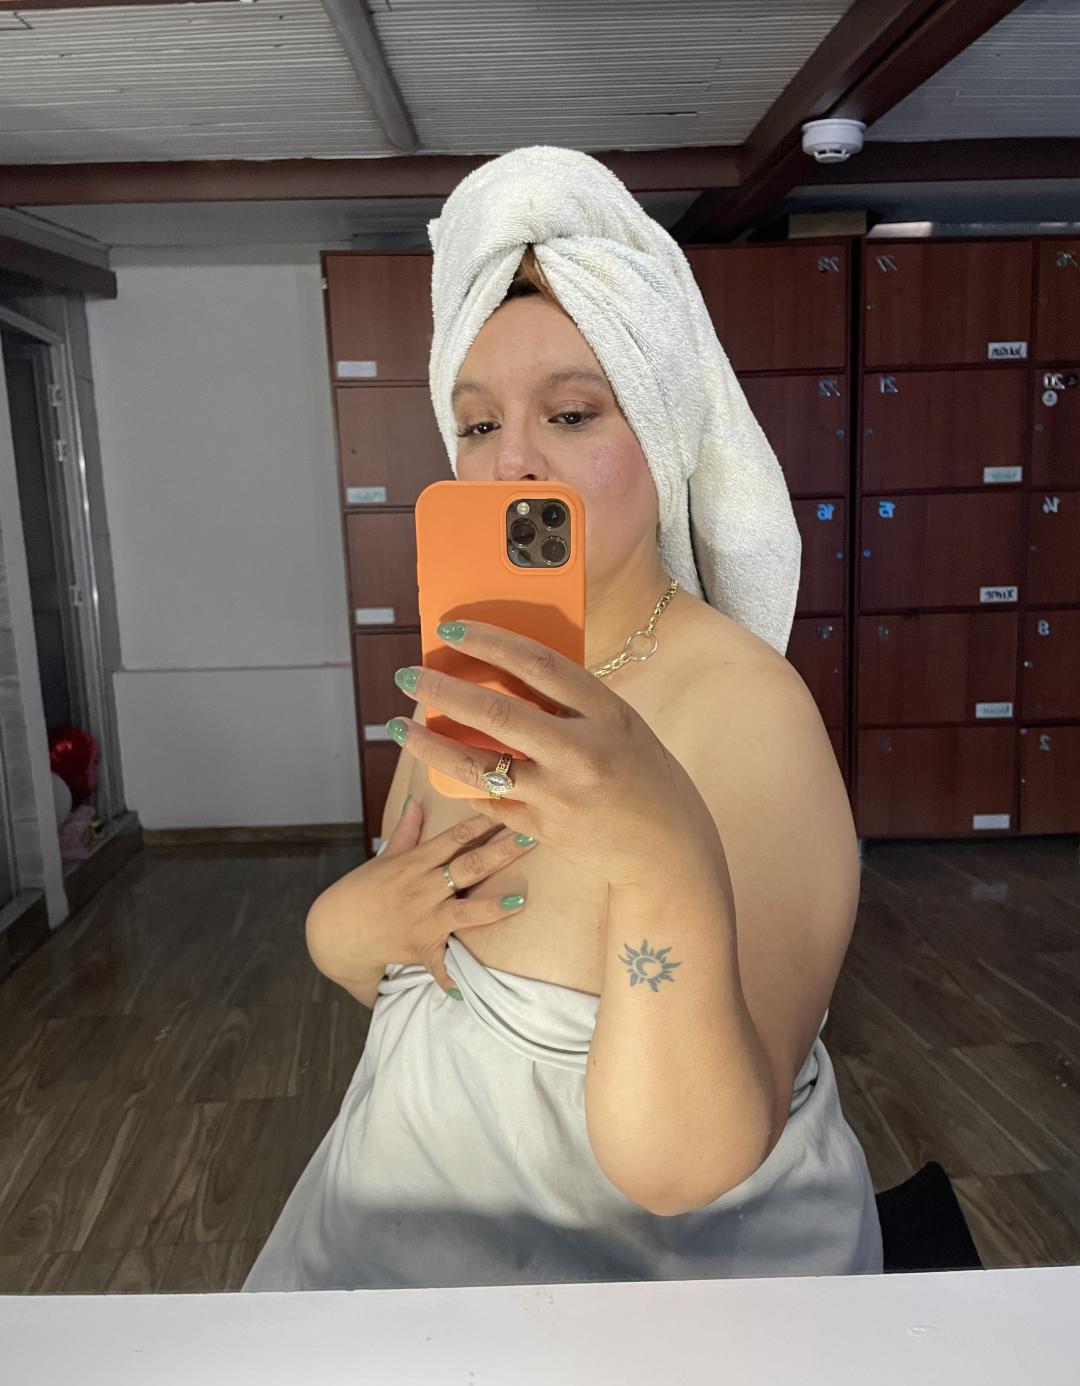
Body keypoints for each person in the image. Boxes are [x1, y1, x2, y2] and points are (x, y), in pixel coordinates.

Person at [241, 147, 883, 1292]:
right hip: (385, 1255)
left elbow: (679, 1169)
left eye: (572, 413)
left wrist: (664, 865)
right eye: (477, 425)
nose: (513, 462)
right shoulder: (464, 675)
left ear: (667, 433)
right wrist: (343, 932)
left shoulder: (747, 711)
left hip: (630, 1315)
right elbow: (425, 983)